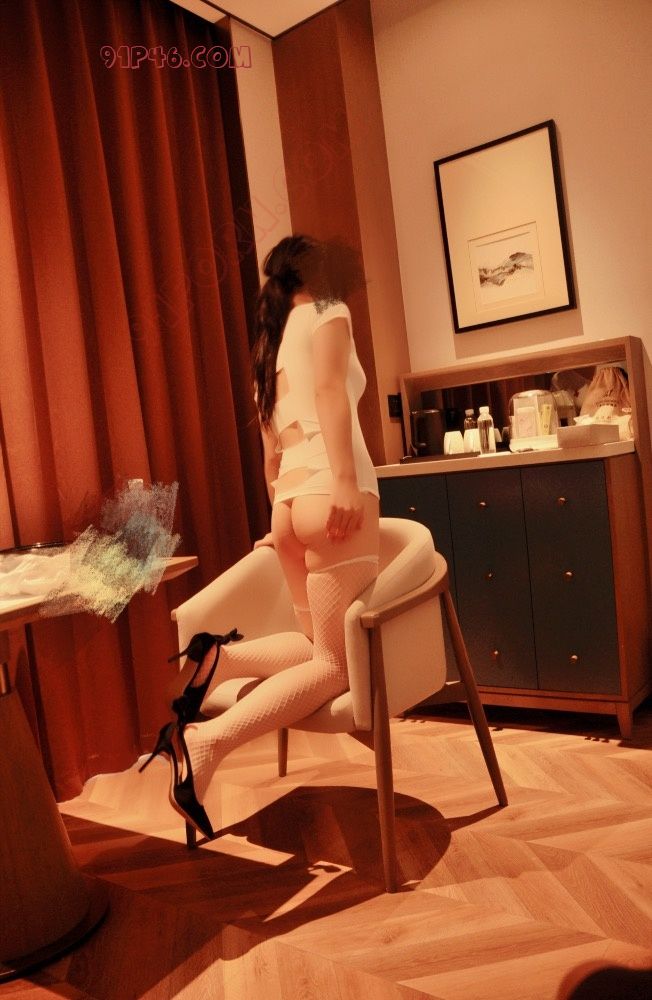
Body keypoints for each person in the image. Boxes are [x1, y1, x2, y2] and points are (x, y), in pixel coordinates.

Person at [141, 235, 380, 842]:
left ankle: (219, 659)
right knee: (337, 666)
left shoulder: (269, 344)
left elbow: (272, 447)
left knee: (313, 644)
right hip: (330, 494)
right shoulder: (328, 310)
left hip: (291, 502)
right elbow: (330, 392)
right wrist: (344, 482)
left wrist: (282, 516)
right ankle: (208, 743)